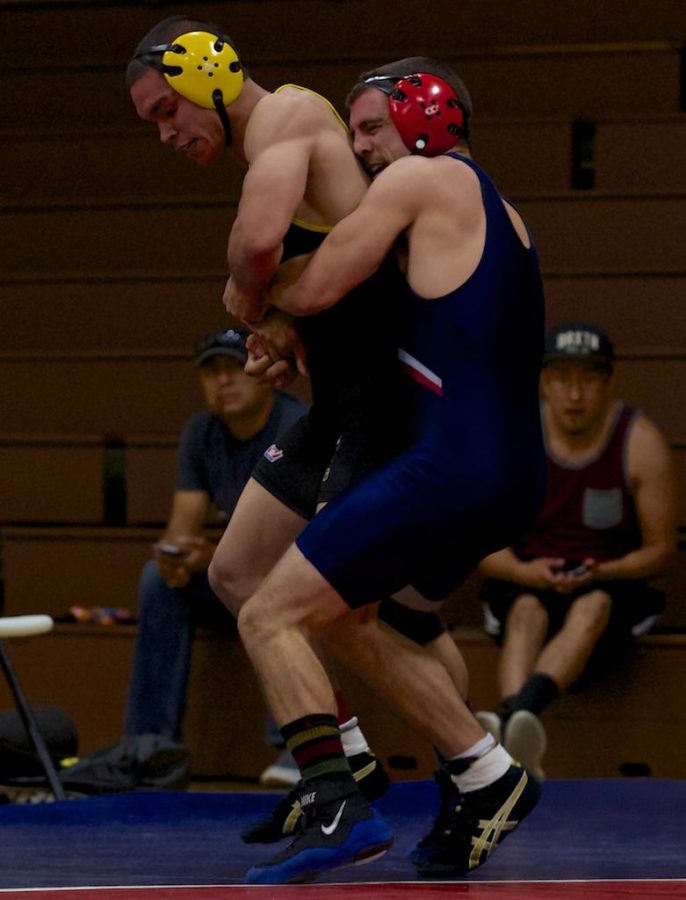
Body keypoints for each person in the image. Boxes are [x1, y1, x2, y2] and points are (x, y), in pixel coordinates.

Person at [226, 57, 548, 884]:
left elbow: (326, 279)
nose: (360, 147)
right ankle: (477, 781)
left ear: (429, 114)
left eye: (370, 126)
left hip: (450, 469)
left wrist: (251, 297)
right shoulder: (499, 212)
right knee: (368, 620)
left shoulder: (423, 181)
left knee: (270, 615)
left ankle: (367, 792)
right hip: (510, 472)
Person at [126, 16, 437, 837]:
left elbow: (259, 245)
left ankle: (484, 769)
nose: (165, 133)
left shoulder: (288, 119)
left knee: (336, 612)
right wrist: (284, 328)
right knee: (236, 577)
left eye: (167, 110)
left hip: (384, 403)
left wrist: (249, 295)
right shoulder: (270, 148)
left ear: (208, 78)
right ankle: (347, 762)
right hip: (339, 402)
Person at [475, 322, 677, 778]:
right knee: (526, 608)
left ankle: (509, 723)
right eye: (562, 378)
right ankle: (521, 725)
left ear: (608, 384)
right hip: (529, 577)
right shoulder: (515, 439)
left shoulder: (639, 442)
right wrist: (525, 573)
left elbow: (661, 550)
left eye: (587, 378)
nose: (574, 393)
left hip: (611, 583)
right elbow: (481, 544)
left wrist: (605, 570)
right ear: (545, 382)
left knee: (594, 604)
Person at [124, 328, 307, 782]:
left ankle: (299, 746)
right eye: (211, 372)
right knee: (157, 580)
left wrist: (214, 557)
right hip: (232, 579)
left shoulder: (295, 425)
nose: (223, 381)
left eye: (232, 368)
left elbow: (295, 538)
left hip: (298, 570)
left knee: (288, 583)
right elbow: (182, 525)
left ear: (262, 373)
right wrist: (177, 557)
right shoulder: (201, 433)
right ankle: (150, 745)